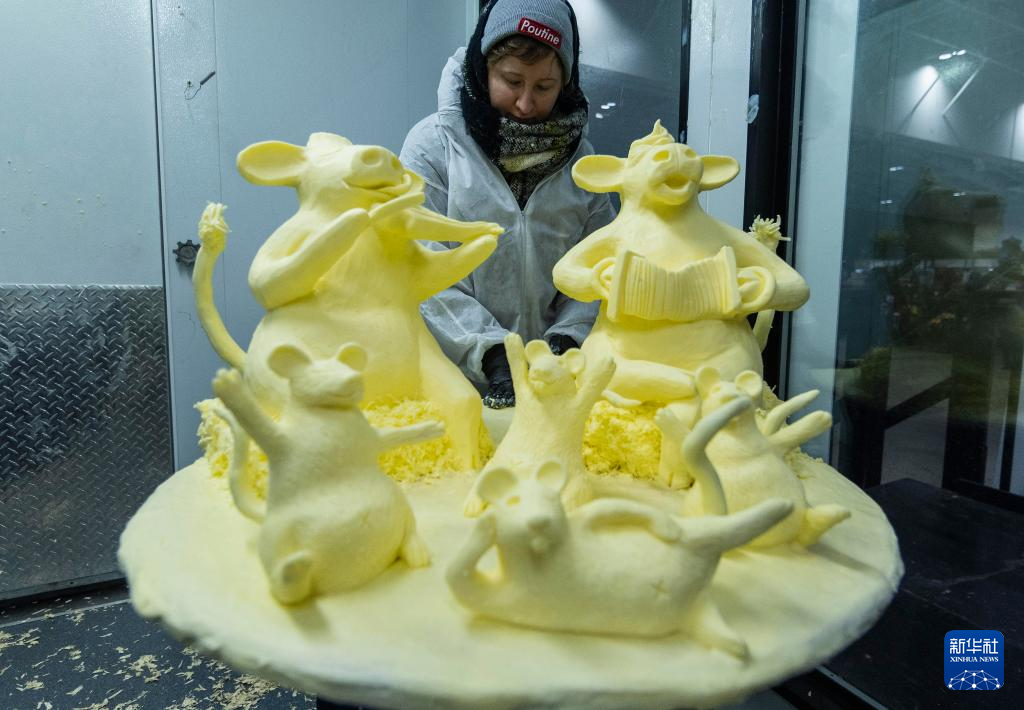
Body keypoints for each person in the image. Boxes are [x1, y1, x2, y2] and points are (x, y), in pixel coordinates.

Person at [400, 0, 615, 409]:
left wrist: (567, 340)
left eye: (544, 87)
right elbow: (416, 265)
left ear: (566, 83)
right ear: (484, 69)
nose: (526, 104)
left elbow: (599, 268)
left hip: (558, 385)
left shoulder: (582, 164)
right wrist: (493, 353)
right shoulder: (433, 148)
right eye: (512, 81)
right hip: (452, 382)